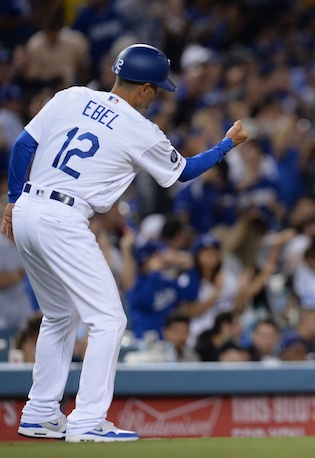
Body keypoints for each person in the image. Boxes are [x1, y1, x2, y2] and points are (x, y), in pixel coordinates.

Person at [1, 43, 248, 442]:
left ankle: (40, 412)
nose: (156, 97)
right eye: (157, 90)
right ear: (145, 89)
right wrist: (226, 144)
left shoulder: (73, 95)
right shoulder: (141, 129)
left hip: (29, 206)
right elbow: (183, 172)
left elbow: (23, 146)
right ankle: (86, 421)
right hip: (64, 217)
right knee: (109, 319)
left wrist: (13, 200)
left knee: (60, 315)